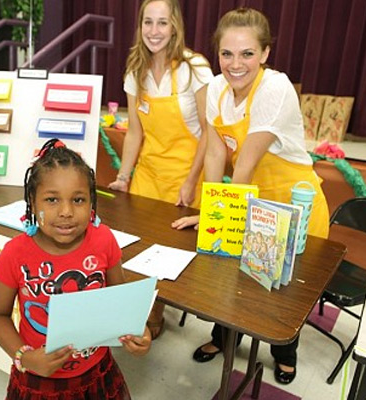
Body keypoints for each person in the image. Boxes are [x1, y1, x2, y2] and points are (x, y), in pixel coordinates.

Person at [172, 8, 330, 385]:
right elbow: (214, 153)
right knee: (231, 281)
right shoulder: (215, 90)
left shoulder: (275, 88)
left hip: (289, 205)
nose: (235, 63)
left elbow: (244, 165)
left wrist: (219, 217)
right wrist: (211, 210)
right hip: (247, 200)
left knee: (280, 294)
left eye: (246, 53)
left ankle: (284, 352)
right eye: (227, 53)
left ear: (265, 53)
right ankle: (223, 338)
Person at [0, 139, 151, 400]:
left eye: (78, 200)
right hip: (38, 381)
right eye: (52, 199)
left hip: (97, 374)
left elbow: (120, 301)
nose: (66, 212)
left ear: (92, 202)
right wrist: (26, 357)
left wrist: (138, 333)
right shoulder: (15, 253)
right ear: (32, 201)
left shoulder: (103, 239)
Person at [108, 0, 212, 339]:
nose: (154, 31)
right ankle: (142, 311)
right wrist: (124, 177)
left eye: (162, 23)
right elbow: (135, 132)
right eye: (147, 22)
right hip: (147, 177)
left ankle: (154, 315)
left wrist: (191, 181)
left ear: (175, 26)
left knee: (168, 256)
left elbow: (209, 132)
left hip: (184, 177)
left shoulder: (194, 68)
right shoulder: (134, 71)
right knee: (136, 252)